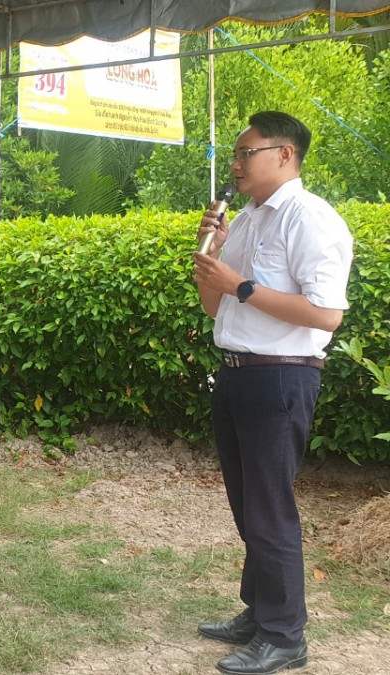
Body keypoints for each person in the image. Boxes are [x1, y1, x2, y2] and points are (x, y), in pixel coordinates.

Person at [193, 111, 353, 675]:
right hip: (237, 373)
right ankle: (260, 611)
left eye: (247, 153)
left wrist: (240, 284)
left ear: (285, 154)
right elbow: (214, 305)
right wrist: (211, 251)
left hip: (281, 377)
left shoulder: (311, 219)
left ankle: (285, 637)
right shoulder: (248, 220)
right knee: (248, 505)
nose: (236, 164)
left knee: (269, 509)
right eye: (235, 155)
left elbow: (326, 313)